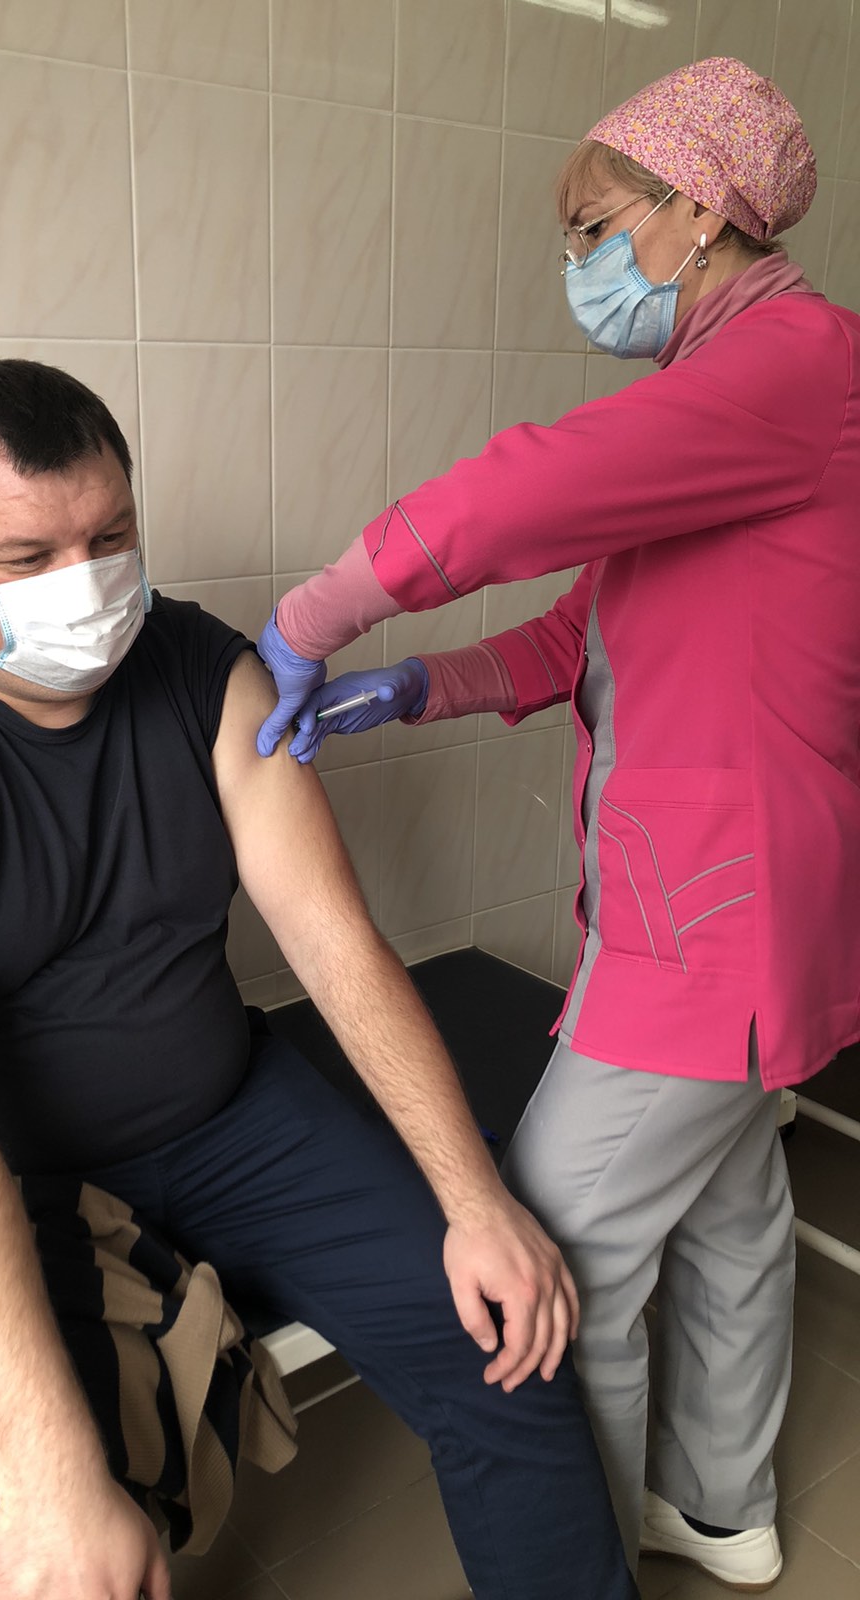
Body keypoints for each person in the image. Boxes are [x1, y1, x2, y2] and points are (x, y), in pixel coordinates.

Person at [0, 359, 637, 1600]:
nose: (86, 583)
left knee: (505, 1338)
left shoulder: (203, 673)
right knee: (26, 1552)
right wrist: (53, 1477)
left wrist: (476, 1200)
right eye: (29, 557)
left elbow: (335, 944)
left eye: (109, 537)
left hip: (224, 1117)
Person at [253, 56, 860, 1593]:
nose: (579, 263)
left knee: (555, 1245)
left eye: (594, 228)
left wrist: (319, 613)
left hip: (714, 929)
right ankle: (720, 1507)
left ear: (699, 210)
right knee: (729, 1217)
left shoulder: (796, 366)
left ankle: (573, 1554)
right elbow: (578, 631)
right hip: (705, 914)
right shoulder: (726, 406)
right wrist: (412, 689)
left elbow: (527, 492)